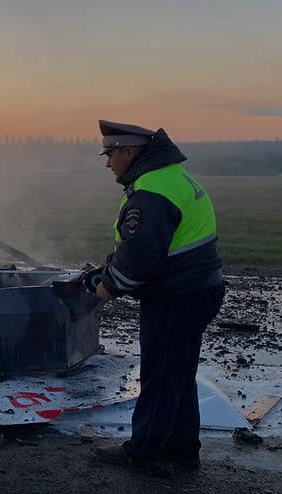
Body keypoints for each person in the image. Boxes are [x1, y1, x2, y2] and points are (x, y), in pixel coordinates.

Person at [92, 120, 225, 468]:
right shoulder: (168, 177)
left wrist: (109, 286)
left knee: (160, 373)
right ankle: (182, 445)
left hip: (177, 295)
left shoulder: (152, 189)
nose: (108, 164)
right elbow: (144, 245)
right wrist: (110, 268)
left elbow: (142, 256)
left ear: (129, 152)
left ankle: (143, 451)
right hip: (197, 289)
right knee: (177, 371)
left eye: (110, 155)